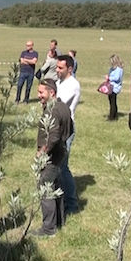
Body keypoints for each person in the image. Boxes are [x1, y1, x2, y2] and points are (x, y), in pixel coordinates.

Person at [31, 79, 72, 238]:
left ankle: (48, 228)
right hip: (61, 153)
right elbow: (70, 129)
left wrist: (42, 152)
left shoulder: (52, 111)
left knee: (45, 188)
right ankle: (59, 220)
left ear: (52, 92)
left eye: (41, 92)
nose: (38, 95)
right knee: (55, 187)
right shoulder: (63, 107)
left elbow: (53, 136)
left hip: (51, 156)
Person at [55, 55, 81, 216]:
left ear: (69, 69)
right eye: (56, 67)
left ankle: (72, 203)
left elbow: (58, 103)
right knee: (57, 166)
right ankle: (60, 198)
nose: (57, 70)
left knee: (63, 166)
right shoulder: (60, 82)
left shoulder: (73, 85)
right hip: (56, 127)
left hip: (66, 129)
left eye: (60, 68)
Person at [107, 54, 124, 121]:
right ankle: (114, 115)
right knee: (111, 102)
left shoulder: (119, 69)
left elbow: (117, 78)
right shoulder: (112, 69)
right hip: (110, 87)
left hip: (115, 88)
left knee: (113, 103)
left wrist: (109, 78)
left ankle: (112, 117)